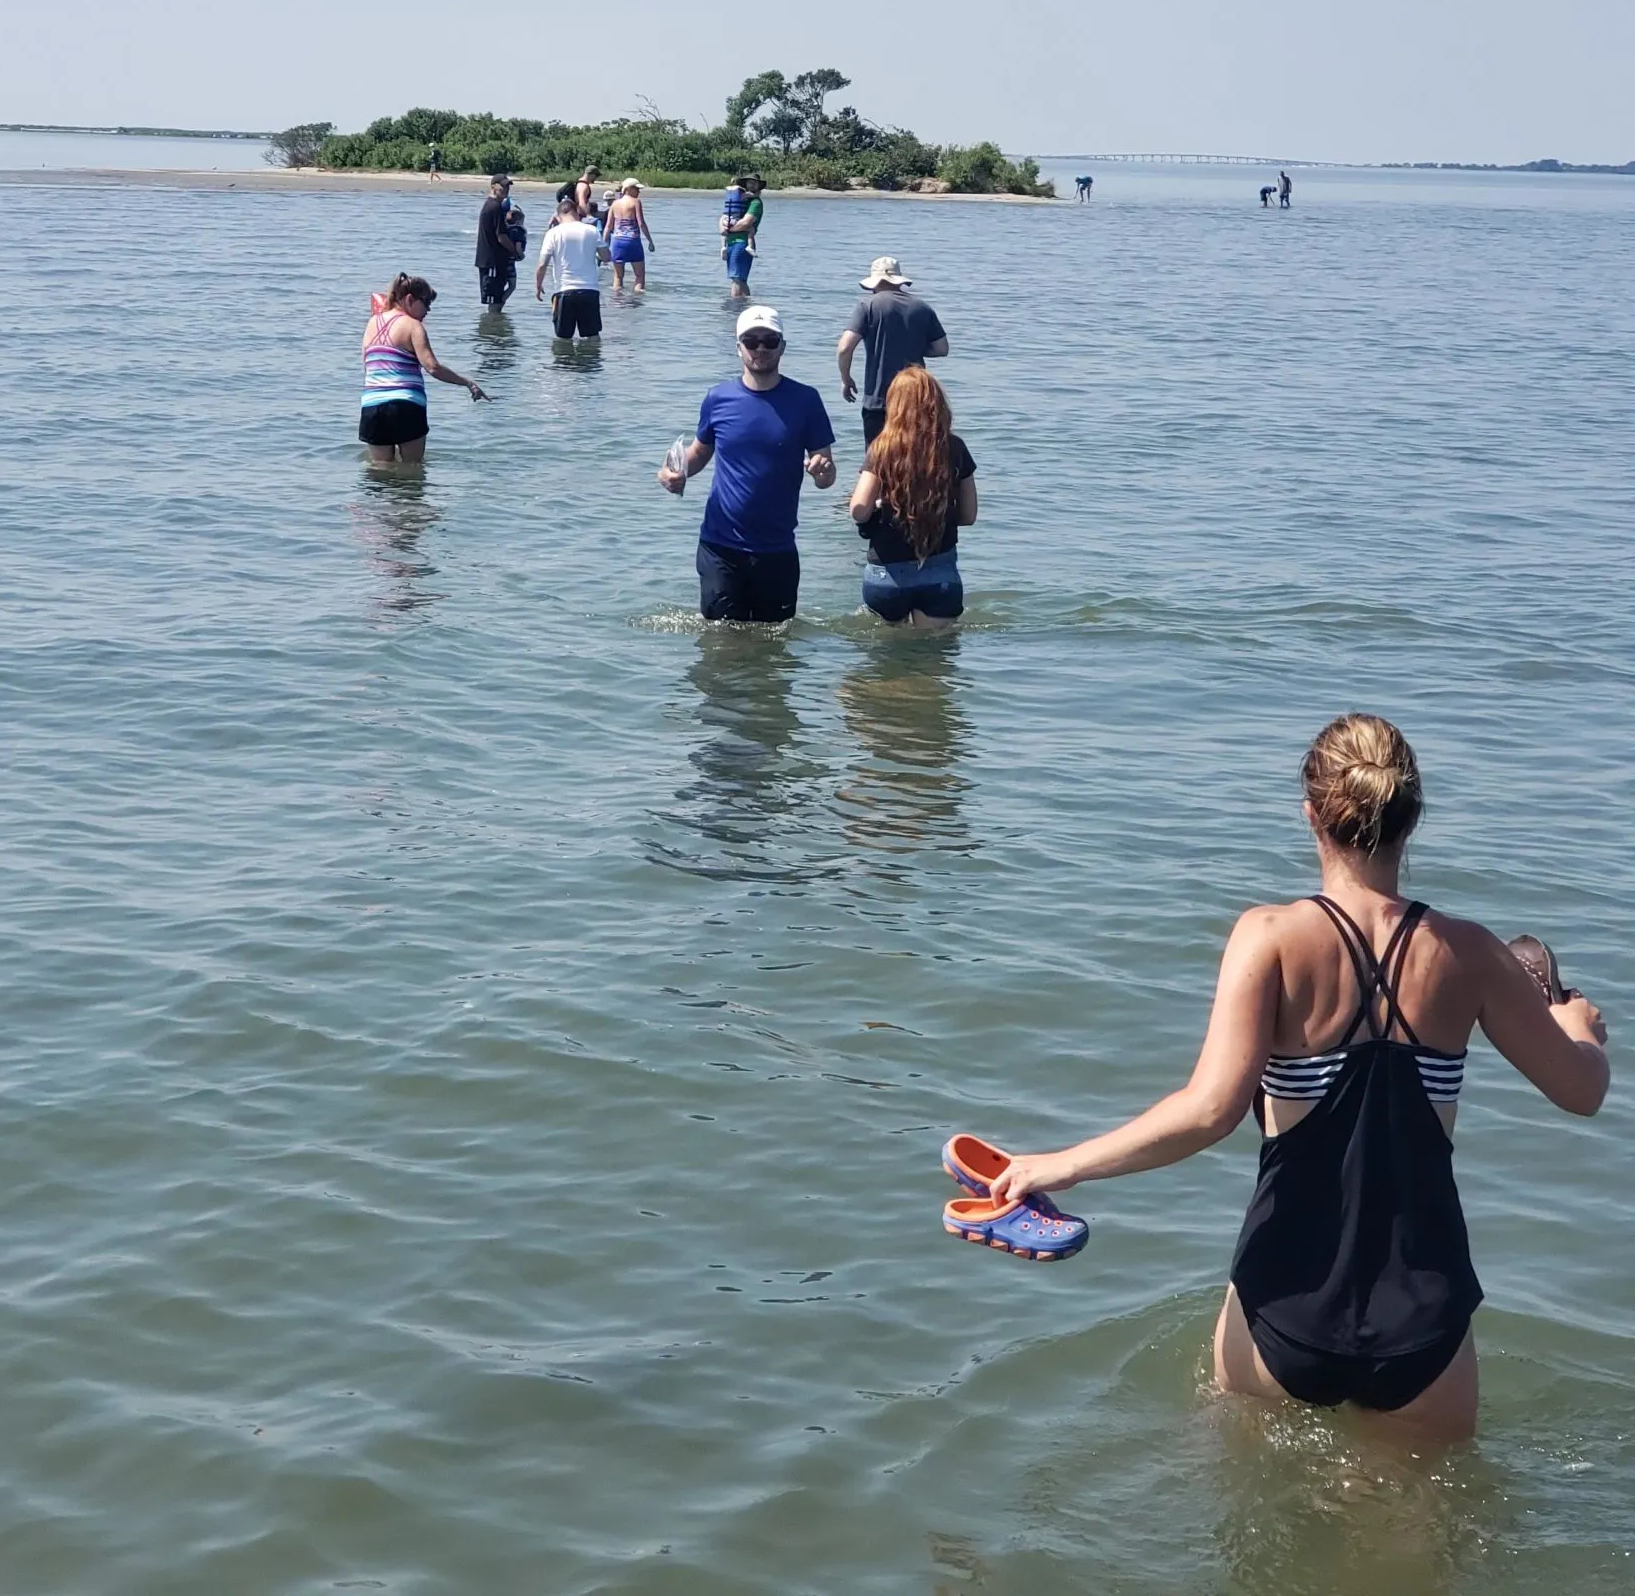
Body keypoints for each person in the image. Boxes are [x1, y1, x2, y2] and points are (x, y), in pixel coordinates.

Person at [975, 714, 1608, 1441]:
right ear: (1413, 818)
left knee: (1247, 1528)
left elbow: (1208, 1111)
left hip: (1284, 1306)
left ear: (1312, 814)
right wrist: (1576, 1028)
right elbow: (1582, 1091)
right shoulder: (1470, 952)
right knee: (1421, 1545)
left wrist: (1058, 1166)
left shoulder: (1269, 939)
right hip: (1422, 1321)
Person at [659, 303, 836, 621]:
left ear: (782, 347)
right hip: (720, 546)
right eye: (751, 341)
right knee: (719, 646)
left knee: (775, 650)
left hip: (777, 549)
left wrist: (822, 472)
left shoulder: (806, 400)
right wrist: (675, 473)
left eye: (769, 341)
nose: (760, 348)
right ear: (738, 347)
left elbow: (826, 474)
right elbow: (700, 452)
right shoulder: (718, 398)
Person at [848, 368, 977, 623]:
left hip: (887, 575)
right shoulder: (955, 448)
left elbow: (858, 509)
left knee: (885, 660)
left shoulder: (882, 448)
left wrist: (879, 506)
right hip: (940, 573)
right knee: (934, 659)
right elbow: (968, 515)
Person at [360, 273, 488, 461]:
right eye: (426, 303)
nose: (428, 310)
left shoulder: (372, 323)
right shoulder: (413, 326)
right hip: (406, 405)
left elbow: (367, 363)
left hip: (372, 406)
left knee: (381, 474)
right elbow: (432, 367)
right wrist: (467, 383)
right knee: (413, 472)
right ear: (410, 299)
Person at [837, 256, 948, 447]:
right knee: (912, 461)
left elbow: (845, 348)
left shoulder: (867, 306)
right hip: (915, 400)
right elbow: (941, 349)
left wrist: (846, 379)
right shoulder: (922, 308)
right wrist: (912, 345)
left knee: (876, 466)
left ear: (874, 283)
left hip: (878, 401)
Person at [534, 184, 605, 338]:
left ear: (559, 216)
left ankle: (563, 363)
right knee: (592, 337)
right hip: (589, 291)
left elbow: (542, 264)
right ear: (576, 213)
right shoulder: (592, 230)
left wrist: (538, 286)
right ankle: (592, 362)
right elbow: (607, 256)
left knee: (563, 340)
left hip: (565, 291)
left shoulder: (553, 233)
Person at [474, 177, 521, 309]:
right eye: (503, 187)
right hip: (491, 261)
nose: (506, 190)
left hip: (495, 260)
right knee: (494, 302)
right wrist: (515, 251)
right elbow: (501, 237)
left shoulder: (494, 206)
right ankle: (492, 328)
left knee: (496, 298)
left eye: (507, 187)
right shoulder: (494, 208)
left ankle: (495, 326)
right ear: (494, 187)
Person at [602, 180, 655, 294]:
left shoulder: (615, 204)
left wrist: (602, 244)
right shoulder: (636, 202)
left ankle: (617, 301)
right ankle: (637, 302)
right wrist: (650, 241)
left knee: (618, 276)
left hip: (617, 242)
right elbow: (641, 223)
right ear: (628, 189)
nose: (638, 192)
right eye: (636, 189)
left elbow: (608, 226)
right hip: (632, 241)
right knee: (640, 276)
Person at [721, 174, 763, 299]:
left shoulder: (755, 203)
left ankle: (734, 310)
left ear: (759, 186)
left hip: (742, 243)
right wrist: (722, 226)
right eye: (749, 182)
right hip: (732, 242)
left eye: (755, 183)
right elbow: (723, 217)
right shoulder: (739, 201)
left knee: (737, 279)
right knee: (740, 279)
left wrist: (729, 229)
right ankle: (743, 308)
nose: (751, 185)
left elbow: (746, 223)